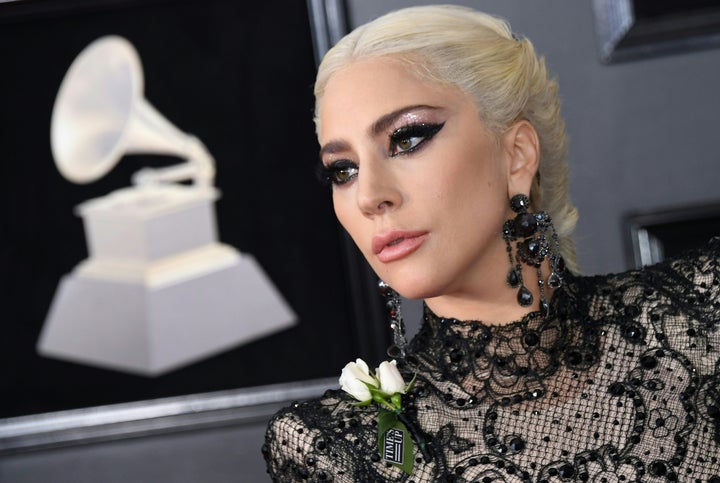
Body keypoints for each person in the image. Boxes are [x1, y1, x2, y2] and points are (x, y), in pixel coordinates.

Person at [263, 5, 720, 481]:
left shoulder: (705, 317)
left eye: (408, 139)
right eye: (343, 170)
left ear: (517, 154)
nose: (370, 196)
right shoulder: (332, 449)